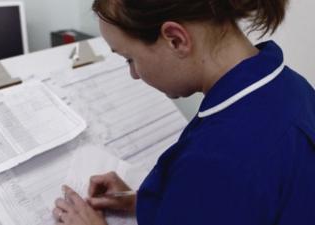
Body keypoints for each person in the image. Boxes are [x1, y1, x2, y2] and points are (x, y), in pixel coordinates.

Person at [53, 0, 315, 224]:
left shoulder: (218, 159)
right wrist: (148, 201)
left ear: (175, 39)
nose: (133, 74)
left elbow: (222, 185)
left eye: (129, 58)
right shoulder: (291, 87)